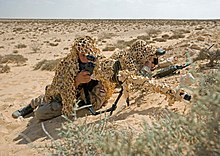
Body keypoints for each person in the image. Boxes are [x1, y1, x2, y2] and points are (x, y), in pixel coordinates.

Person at [12, 36, 114, 120]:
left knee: (94, 105)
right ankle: (29, 107)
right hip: (68, 94)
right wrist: (76, 81)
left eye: (89, 53)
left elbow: (108, 73)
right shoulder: (67, 65)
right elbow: (59, 86)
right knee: (41, 111)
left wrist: (95, 75)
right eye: (82, 55)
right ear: (77, 54)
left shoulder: (97, 61)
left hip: (90, 94)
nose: (86, 57)